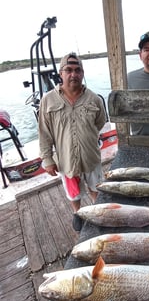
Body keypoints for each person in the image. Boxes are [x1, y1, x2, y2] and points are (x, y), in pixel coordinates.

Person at [38, 52, 106, 232]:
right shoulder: (48, 100)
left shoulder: (94, 99)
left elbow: (99, 123)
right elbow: (44, 133)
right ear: (61, 73)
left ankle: (98, 211)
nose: (73, 74)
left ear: (82, 73)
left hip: (91, 156)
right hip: (65, 159)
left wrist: (87, 137)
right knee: (73, 191)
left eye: (77, 70)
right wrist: (47, 159)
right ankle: (77, 213)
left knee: (96, 188)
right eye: (68, 70)